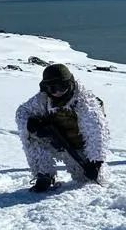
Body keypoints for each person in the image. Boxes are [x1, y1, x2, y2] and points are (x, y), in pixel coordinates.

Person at [16, 64, 109, 193]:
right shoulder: (43, 99)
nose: (57, 92)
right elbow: (22, 112)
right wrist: (30, 124)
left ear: (70, 84)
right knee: (31, 138)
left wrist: (96, 162)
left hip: (81, 150)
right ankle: (44, 176)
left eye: (61, 87)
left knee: (91, 180)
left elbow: (97, 133)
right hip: (57, 143)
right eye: (52, 88)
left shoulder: (85, 102)